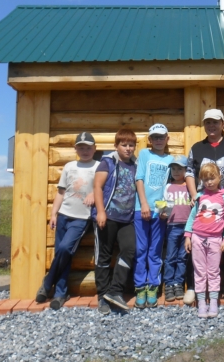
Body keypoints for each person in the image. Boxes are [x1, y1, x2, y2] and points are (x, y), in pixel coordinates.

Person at [184, 109, 224, 305]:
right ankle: (194, 287)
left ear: (223, 124)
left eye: (215, 122)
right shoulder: (197, 148)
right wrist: (194, 194)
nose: (211, 126)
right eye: (208, 123)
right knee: (196, 245)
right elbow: (188, 172)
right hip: (203, 206)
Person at [36, 132, 99, 310]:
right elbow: (61, 192)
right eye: (81, 147)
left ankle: (48, 282)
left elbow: (103, 188)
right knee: (62, 254)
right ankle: (60, 293)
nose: (85, 151)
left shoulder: (99, 166)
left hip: (82, 217)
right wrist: (54, 213)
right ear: (75, 149)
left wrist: (94, 194)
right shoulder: (69, 166)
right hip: (64, 214)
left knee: (65, 248)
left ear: (94, 149)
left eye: (88, 147)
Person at [87, 128, 138, 314]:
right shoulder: (107, 162)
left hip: (127, 219)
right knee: (104, 256)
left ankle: (115, 291)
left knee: (129, 249)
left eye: (131, 145)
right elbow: (97, 187)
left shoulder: (135, 165)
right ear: (116, 146)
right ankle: (102, 297)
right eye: (124, 145)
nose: (128, 148)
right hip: (107, 217)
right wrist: (101, 211)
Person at [184, 163, 224, 318]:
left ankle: (213, 302)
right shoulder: (199, 197)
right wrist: (188, 236)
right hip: (198, 237)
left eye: (212, 178)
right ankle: (201, 303)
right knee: (199, 270)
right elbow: (192, 217)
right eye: (205, 179)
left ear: (219, 178)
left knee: (213, 271)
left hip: (215, 240)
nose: (209, 182)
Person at [133, 124, 173, 308]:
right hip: (142, 209)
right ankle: (140, 286)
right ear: (150, 140)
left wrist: (166, 210)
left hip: (160, 212)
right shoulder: (144, 155)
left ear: (167, 138)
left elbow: (171, 187)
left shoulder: (170, 159)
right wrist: (144, 204)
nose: (158, 140)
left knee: (155, 251)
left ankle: (152, 286)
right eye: (155, 137)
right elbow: (139, 178)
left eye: (161, 137)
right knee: (141, 249)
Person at [160, 154, 192, 302]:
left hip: (187, 227)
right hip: (172, 226)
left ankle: (179, 282)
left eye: (180, 168)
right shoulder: (168, 186)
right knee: (170, 256)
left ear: (186, 170)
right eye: (173, 169)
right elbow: (163, 204)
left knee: (182, 256)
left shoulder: (189, 187)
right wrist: (162, 212)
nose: (176, 172)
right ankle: (169, 283)